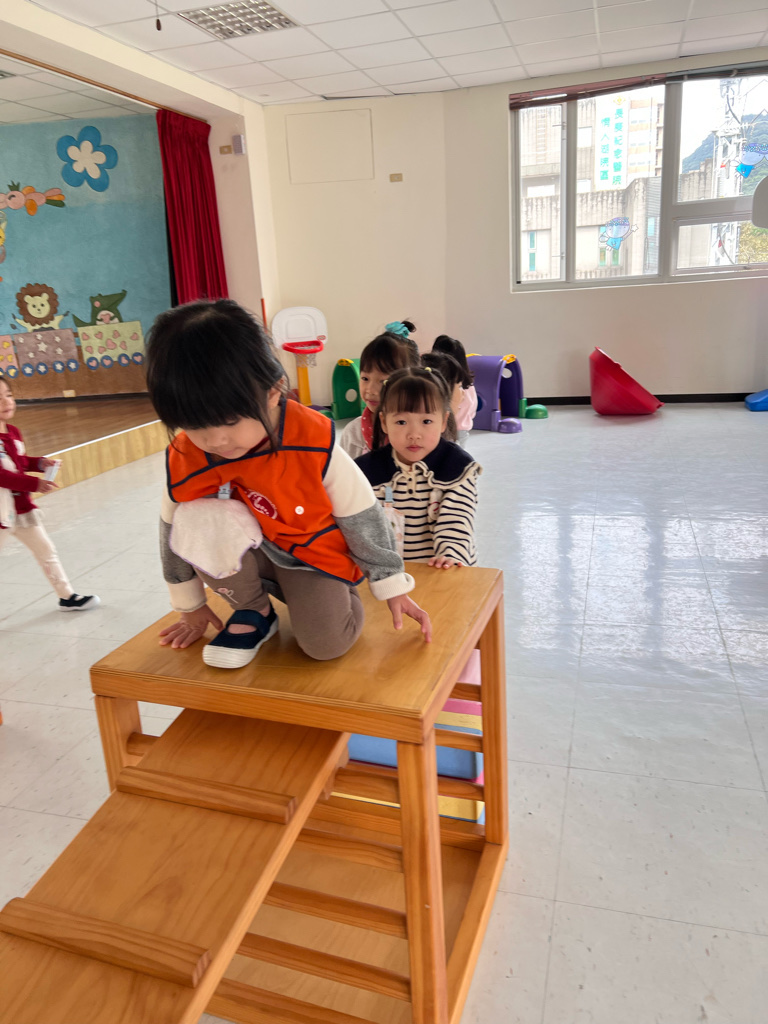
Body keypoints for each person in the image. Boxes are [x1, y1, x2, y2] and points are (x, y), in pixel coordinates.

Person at [144, 299, 432, 670]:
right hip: (249, 557)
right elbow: (173, 530)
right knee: (194, 516)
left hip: (311, 557)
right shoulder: (189, 454)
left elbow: (361, 512)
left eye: (229, 422)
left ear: (273, 391)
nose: (215, 441)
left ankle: (334, 592)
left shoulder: (310, 440)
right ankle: (254, 611)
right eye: (196, 426)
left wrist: (389, 583)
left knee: (326, 646)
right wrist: (191, 606)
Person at [356, 366, 481, 569]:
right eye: (401, 422)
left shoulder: (458, 468)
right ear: (384, 422)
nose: (414, 434)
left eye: (426, 421)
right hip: (388, 578)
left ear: (443, 421)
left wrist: (450, 555)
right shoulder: (366, 472)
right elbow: (361, 529)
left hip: (444, 573)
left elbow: (457, 521)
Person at [0, 377, 100, 610]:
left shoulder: (12, 431)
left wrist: (40, 463)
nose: (6, 402)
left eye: (9, 395)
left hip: (22, 509)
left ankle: (67, 596)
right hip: (2, 513)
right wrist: (35, 484)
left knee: (46, 550)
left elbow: (19, 461)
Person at [339, 319, 419, 461]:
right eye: (365, 378)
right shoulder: (353, 433)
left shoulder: (420, 432)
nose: (371, 390)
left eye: (383, 381)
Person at [432, 334, 477, 448]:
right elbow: (473, 408)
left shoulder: (437, 384)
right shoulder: (468, 384)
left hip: (445, 429)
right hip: (462, 430)